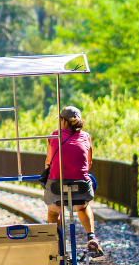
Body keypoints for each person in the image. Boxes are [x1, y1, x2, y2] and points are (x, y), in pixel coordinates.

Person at [44, 106, 103, 256]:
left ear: (63, 121)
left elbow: (49, 162)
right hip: (81, 185)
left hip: (57, 185)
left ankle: (56, 243)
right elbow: (89, 163)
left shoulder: (54, 136)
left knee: (53, 211)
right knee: (82, 207)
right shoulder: (86, 136)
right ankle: (91, 236)